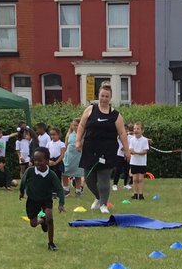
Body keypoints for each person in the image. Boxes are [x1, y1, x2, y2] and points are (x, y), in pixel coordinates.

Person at [76, 83, 128, 215]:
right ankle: (99, 197)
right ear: (98, 96)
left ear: (110, 98)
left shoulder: (116, 115)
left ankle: (104, 204)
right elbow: (81, 126)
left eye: (107, 96)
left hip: (107, 151)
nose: (104, 98)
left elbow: (122, 133)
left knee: (103, 179)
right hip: (89, 149)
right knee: (88, 178)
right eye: (102, 96)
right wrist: (78, 141)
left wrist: (127, 150)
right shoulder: (90, 110)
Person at [19, 147, 65, 251]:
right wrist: (21, 192)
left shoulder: (51, 175)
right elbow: (23, 181)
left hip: (46, 199)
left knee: (50, 218)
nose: (37, 163)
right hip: (32, 200)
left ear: (47, 161)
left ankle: (51, 243)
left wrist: (61, 204)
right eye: (35, 160)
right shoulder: (30, 171)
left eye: (40, 160)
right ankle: (42, 221)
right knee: (33, 224)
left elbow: (59, 189)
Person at [128, 121, 150, 200]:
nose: (135, 130)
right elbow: (130, 149)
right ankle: (135, 193)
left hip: (142, 163)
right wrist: (132, 152)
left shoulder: (144, 140)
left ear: (142, 130)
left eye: (138, 129)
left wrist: (136, 152)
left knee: (140, 179)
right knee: (134, 179)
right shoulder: (132, 140)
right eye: (134, 129)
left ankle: (140, 194)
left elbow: (145, 151)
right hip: (134, 162)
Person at [64, 118, 84, 196]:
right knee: (65, 172)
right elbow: (65, 144)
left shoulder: (82, 134)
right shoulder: (69, 134)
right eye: (73, 125)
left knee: (77, 174)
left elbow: (83, 144)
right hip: (69, 155)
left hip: (78, 156)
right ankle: (66, 188)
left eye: (76, 125)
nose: (74, 127)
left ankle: (78, 190)